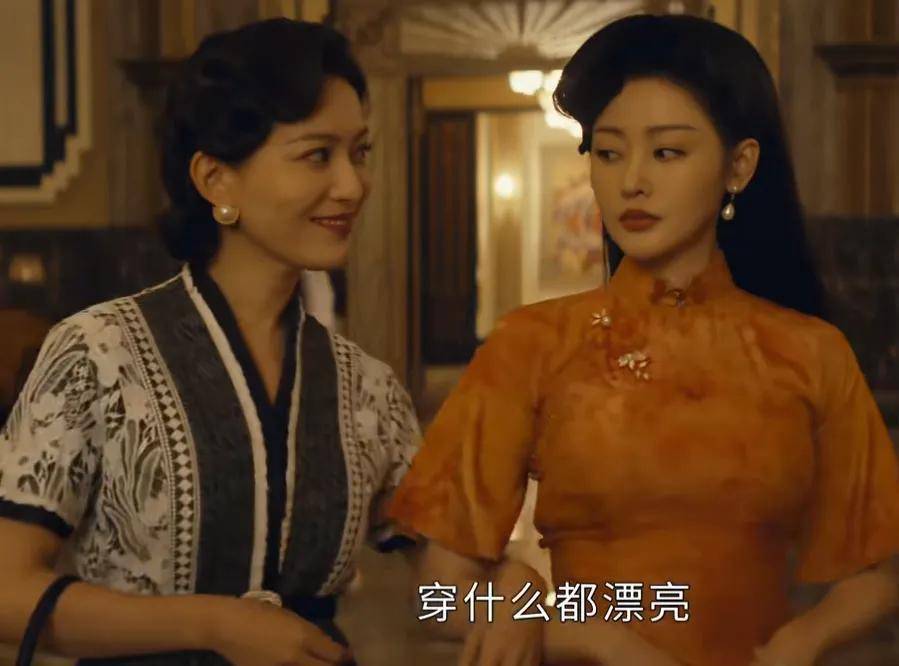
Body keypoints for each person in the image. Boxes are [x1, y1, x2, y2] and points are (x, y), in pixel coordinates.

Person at [388, 14, 899, 666]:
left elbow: (877, 575)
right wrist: (586, 635)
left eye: (666, 152)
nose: (631, 180)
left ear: (738, 166)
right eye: (608, 153)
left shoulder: (809, 352)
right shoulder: (532, 344)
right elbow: (437, 599)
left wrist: (800, 641)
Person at [0, 18, 419, 666]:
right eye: (318, 155)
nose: (353, 184)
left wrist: (515, 593)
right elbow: (6, 590)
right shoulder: (95, 354)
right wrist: (214, 625)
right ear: (215, 179)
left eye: (359, 153)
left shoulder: (369, 389)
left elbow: (447, 587)